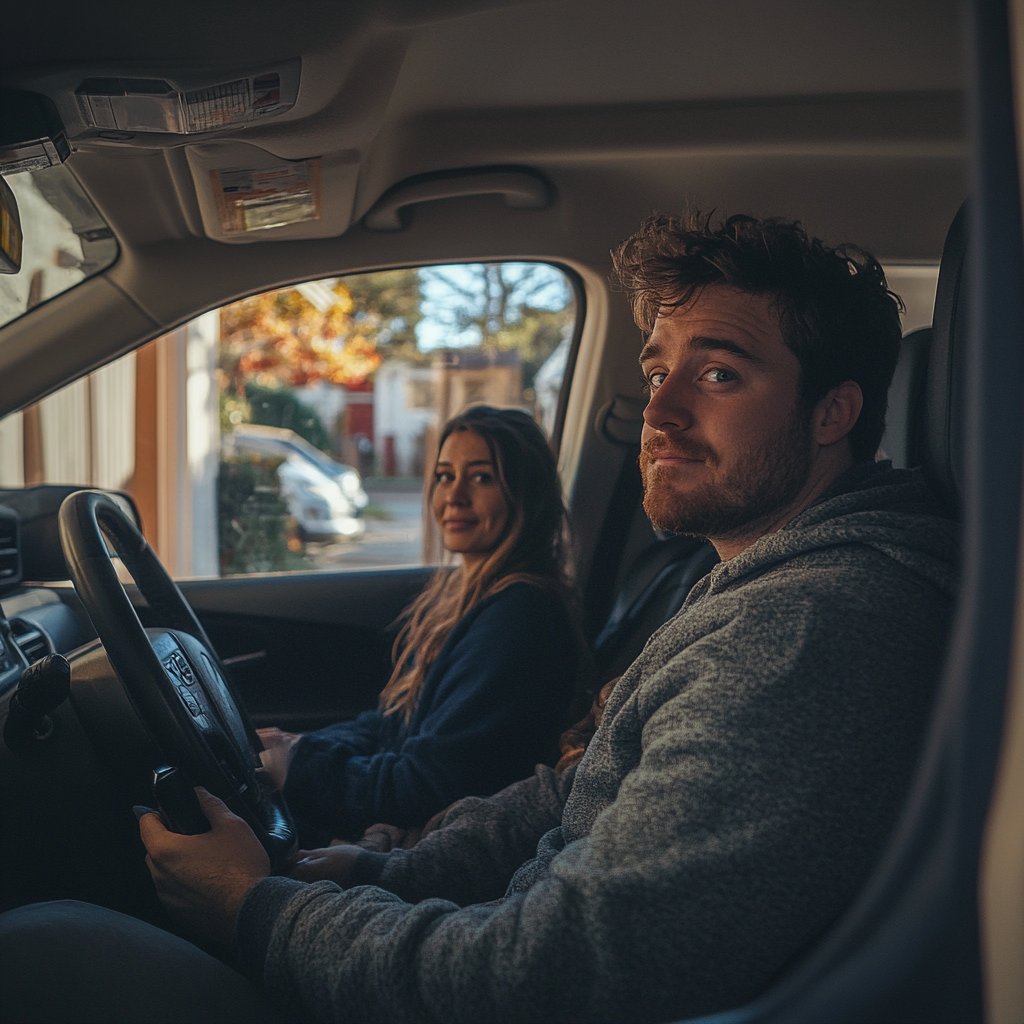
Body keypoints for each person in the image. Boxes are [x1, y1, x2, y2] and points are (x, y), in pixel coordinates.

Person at [0, 211, 959, 1024]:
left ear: (834, 413)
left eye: (719, 375)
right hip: (487, 936)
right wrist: (368, 880)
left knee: (48, 951)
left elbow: (562, 968)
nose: (660, 410)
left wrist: (257, 909)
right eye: (657, 368)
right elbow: (562, 801)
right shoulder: (747, 586)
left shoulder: (807, 630)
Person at [258, 404, 583, 844]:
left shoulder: (520, 618)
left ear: (525, 493)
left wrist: (302, 767)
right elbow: (393, 724)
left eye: (482, 477)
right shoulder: (466, 595)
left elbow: (427, 785)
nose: (454, 496)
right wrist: (298, 747)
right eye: (446, 476)